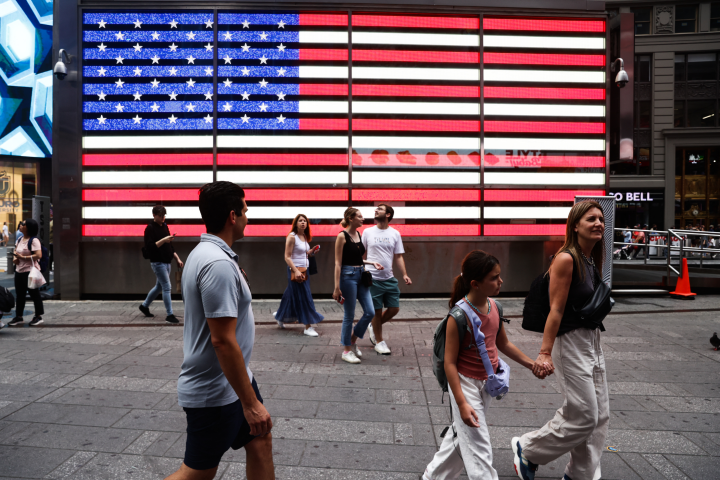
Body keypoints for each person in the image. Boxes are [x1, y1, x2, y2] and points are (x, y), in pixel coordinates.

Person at [166, 181, 274, 480]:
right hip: (214, 391)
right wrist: (250, 403)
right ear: (232, 215)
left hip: (236, 382)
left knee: (260, 440)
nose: (247, 217)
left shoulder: (208, 254)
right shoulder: (216, 263)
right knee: (196, 474)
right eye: (245, 210)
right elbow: (222, 341)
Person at [423, 250, 550, 480]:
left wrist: (532, 364)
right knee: (479, 444)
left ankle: (432, 476)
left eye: (499, 276)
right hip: (464, 384)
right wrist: (461, 402)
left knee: (462, 436)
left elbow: (503, 343)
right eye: (494, 278)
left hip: (486, 384)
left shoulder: (495, 307)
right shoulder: (458, 316)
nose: (500, 281)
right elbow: (450, 364)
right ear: (475, 283)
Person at [512, 200, 609, 480]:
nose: (598, 223)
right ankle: (528, 448)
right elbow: (556, 308)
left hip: (592, 340)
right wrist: (544, 352)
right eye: (590, 219)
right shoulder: (567, 258)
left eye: (600, 219)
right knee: (585, 415)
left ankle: (580, 473)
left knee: (599, 414)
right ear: (575, 225)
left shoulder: (591, 258)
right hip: (570, 343)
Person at [332, 207, 383, 364]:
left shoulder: (358, 234)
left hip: (361, 274)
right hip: (347, 277)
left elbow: (356, 258)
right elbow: (338, 263)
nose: (363, 218)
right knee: (349, 314)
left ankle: (353, 340)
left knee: (370, 311)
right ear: (351, 219)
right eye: (359, 216)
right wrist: (336, 287)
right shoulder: (342, 236)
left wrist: (370, 262)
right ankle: (346, 350)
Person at [363, 204, 412, 355]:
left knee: (394, 309)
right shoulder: (367, 232)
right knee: (376, 312)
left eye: (380, 209)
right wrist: (365, 268)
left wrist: (404, 274)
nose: (376, 210)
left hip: (389, 278)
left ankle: (373, 326)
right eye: (375, 209)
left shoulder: (395, 234)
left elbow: (398, 256)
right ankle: (379, 342)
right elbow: (361, 255)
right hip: (373, 278)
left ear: (388, 214)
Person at [273, 214, 324, 336]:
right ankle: (308, 326)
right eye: (300, 221)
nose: (303, 223)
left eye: (305, 221)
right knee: (305, 296)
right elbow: (287, 257)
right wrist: (295, 270)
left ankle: (280, 316)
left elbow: (303, 253)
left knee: (290, 294)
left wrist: (311, 252)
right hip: (295, 270)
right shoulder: (292, 237)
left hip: (304, 270)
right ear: (295, 223)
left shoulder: (304, 236)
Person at [140, 205, 184, 324]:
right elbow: (150, 247)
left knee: (159, 286)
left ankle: (144, 306)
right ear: (154, 215)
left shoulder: (164, 226)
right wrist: (164, 239)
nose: (163, 218)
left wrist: (177, 259)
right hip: (157, 262)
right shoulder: (150, 228)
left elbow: (170, 246)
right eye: (160, 216)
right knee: (166, 286)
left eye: (164, 215)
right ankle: (169, 314)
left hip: (167, 261)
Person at [7, 219, 44, 327]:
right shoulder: (19, 239)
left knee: (34, 294)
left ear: (29, 227)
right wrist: (15, 258)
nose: (20, 225)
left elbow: (38, 255)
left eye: (23, 224)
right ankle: (19, 317)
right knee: (20, 295)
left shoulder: (34, 240)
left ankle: (38, 316)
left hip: (30, 271)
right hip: (19, 270)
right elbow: (15, 251)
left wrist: (23, 257)